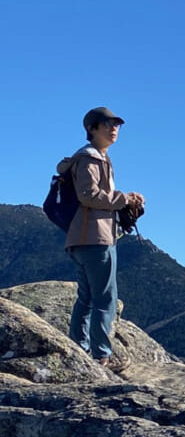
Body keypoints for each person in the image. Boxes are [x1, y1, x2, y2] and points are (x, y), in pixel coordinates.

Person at [55, 107, 145, 371]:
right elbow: (88, 195)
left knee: (86, 298)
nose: (114, 128)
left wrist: (124, 197)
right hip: (96, 238)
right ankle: (100, 357)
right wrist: (123, 199)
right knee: (105, 298)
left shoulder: (91, 158)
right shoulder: (91, 158)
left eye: (116, 124)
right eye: (107, 124)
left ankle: (79, 351)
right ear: (92, 129)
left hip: (80, 238)